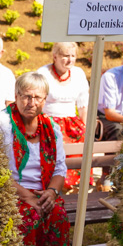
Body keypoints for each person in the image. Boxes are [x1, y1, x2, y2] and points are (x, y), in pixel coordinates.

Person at [0, 72, 70, 246]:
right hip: (10, 192)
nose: (31, 102)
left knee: (58, 216)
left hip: (43, 193)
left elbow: (60, 168)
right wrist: (27, 196)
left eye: (37, 97)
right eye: (26, 96)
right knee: (27, 218)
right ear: (16, 96)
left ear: (45, 99)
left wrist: (52, 193)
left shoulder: (51, 128)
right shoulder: (1, 124)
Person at [36, 42, 91, 191]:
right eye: (66, 56)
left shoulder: (78, 74)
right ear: (55, 57)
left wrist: (85, 128)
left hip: (72, 121)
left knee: (82, 137)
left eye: (73, 56)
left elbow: (83, 104)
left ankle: (74, 185)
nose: (70, 60)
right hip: (48, 120)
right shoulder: (43, 73)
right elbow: (37, 102)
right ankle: (52, 184)